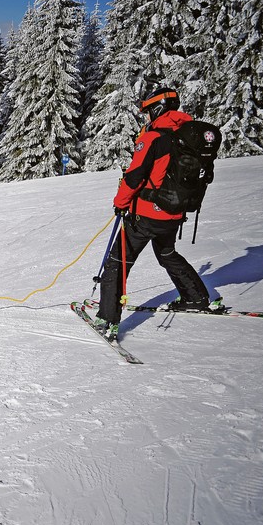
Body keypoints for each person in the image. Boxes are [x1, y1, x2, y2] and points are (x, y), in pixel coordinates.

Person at [94, 86, 212, 338]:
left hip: (146, 215)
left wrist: (121, 201)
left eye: (148, 111)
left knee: (118, 262)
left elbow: (135, 176)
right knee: (167, 253)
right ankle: (196, 297)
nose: (146, 117)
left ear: (158, 109)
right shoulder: (188, 137)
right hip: (174, 214)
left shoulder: (154, 137)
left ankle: (107, 319)